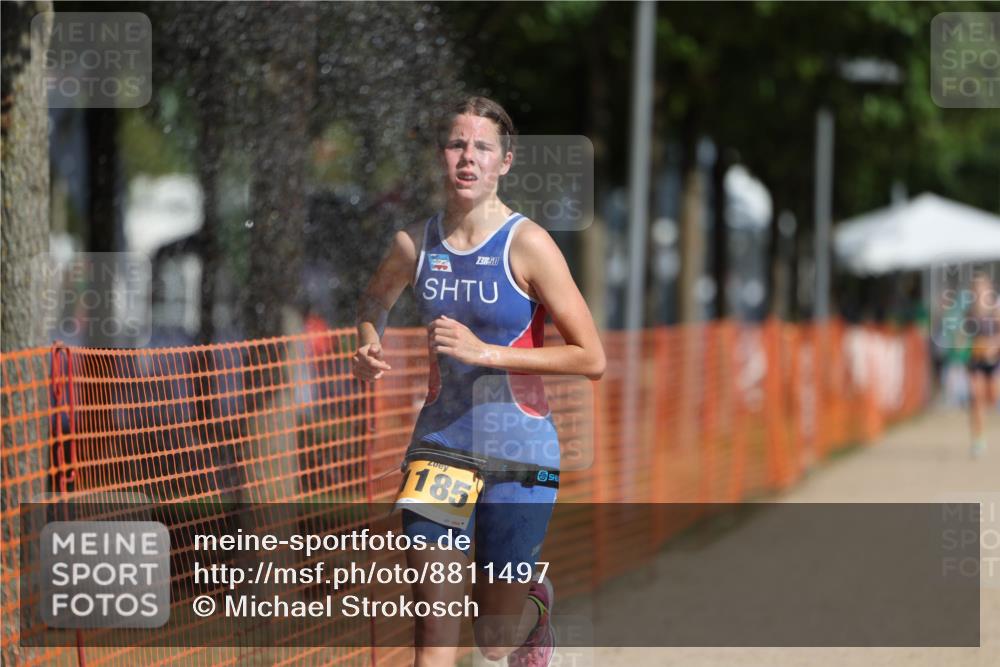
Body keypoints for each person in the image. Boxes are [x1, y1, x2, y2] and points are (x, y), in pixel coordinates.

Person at [353, 96, 605, 666]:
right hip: (440, 450)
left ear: (505, 162)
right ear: (440, 156)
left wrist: (484, 352)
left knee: (491, 639)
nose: (468, 158)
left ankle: (533, 616)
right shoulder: (413, 244)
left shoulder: (530, 245)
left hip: (521, 454)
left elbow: (592, 358)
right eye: (456, 144)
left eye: (482, 147)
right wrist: (368, 338)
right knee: (434, 638)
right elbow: (374, 299)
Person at [965, 272, 1000, 458]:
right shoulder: (969, 312)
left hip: (993, 361)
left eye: (982, 287)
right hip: (976, 361)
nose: (979, 291)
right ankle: (978, 439)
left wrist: (993, 346)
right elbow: (961, 338)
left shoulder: (995, 310)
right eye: (976, 288)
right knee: (976, 399)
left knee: (992, 399)